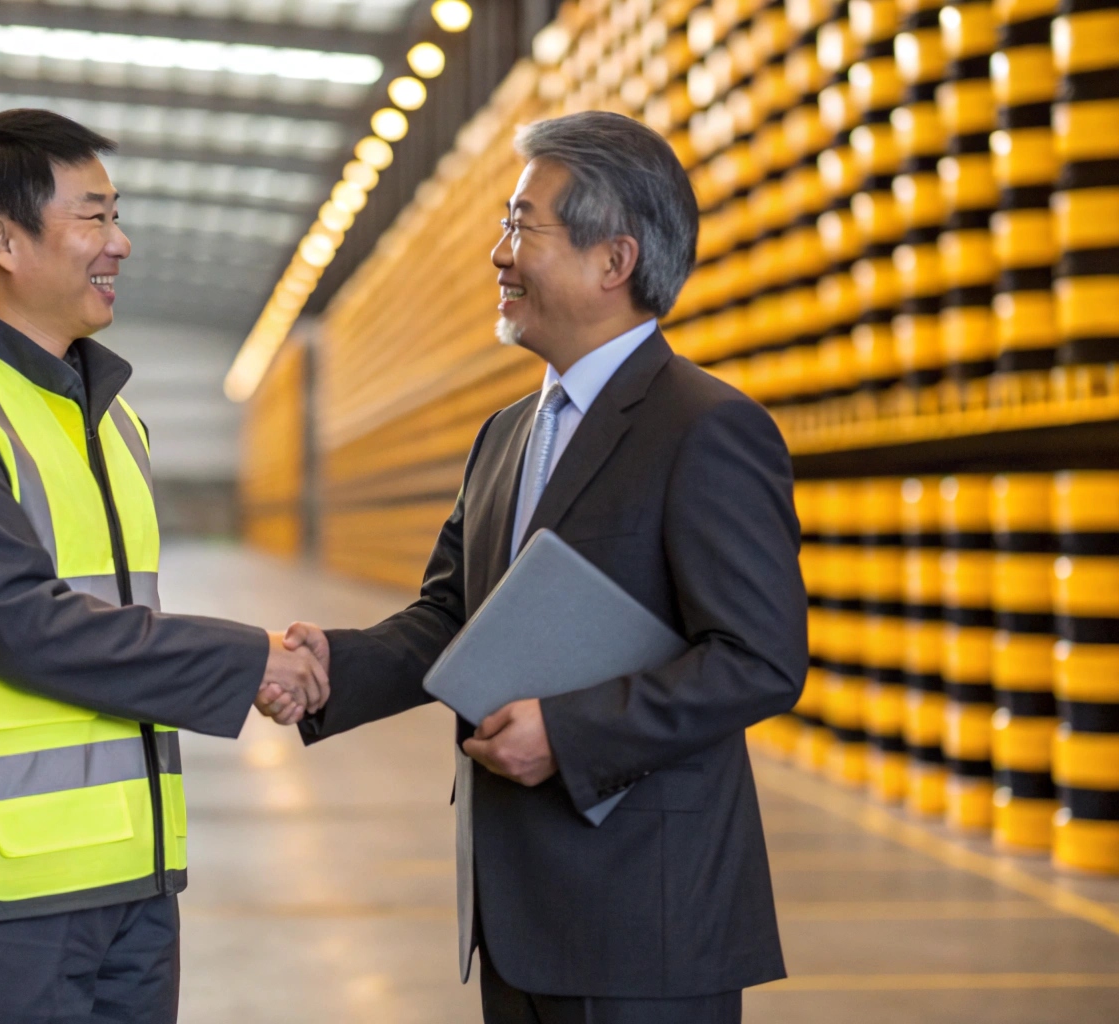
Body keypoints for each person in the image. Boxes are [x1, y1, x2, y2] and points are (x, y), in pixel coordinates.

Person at [282, 111, 809, 1024]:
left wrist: (570, 733)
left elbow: (758, 658)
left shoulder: (705, 428)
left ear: (616, 261)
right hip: (518, 907)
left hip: (645, 918)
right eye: (502, 226)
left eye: (524, 227)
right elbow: (453, 619)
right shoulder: (508, 435)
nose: (500, 253)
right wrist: (327, 666)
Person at [0, 108, 324, 1024]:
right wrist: (245, 660)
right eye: (93, 218)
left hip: (131, 877)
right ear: (2, 240)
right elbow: (23, 623)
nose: (121, 243)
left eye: (115, 215)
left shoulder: (108, 418)